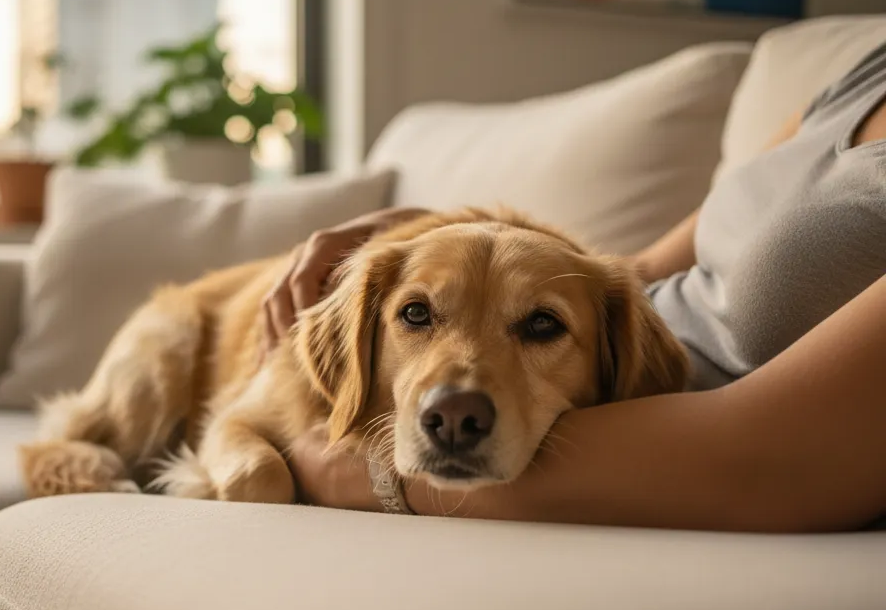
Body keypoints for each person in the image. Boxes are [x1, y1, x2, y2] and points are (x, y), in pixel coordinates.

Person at [260, 44, 886, 533]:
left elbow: (767, 465)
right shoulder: (866, 75)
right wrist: (433, 235)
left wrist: (355, 476)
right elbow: (639, 273)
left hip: (640, 435)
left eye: (538, 327)